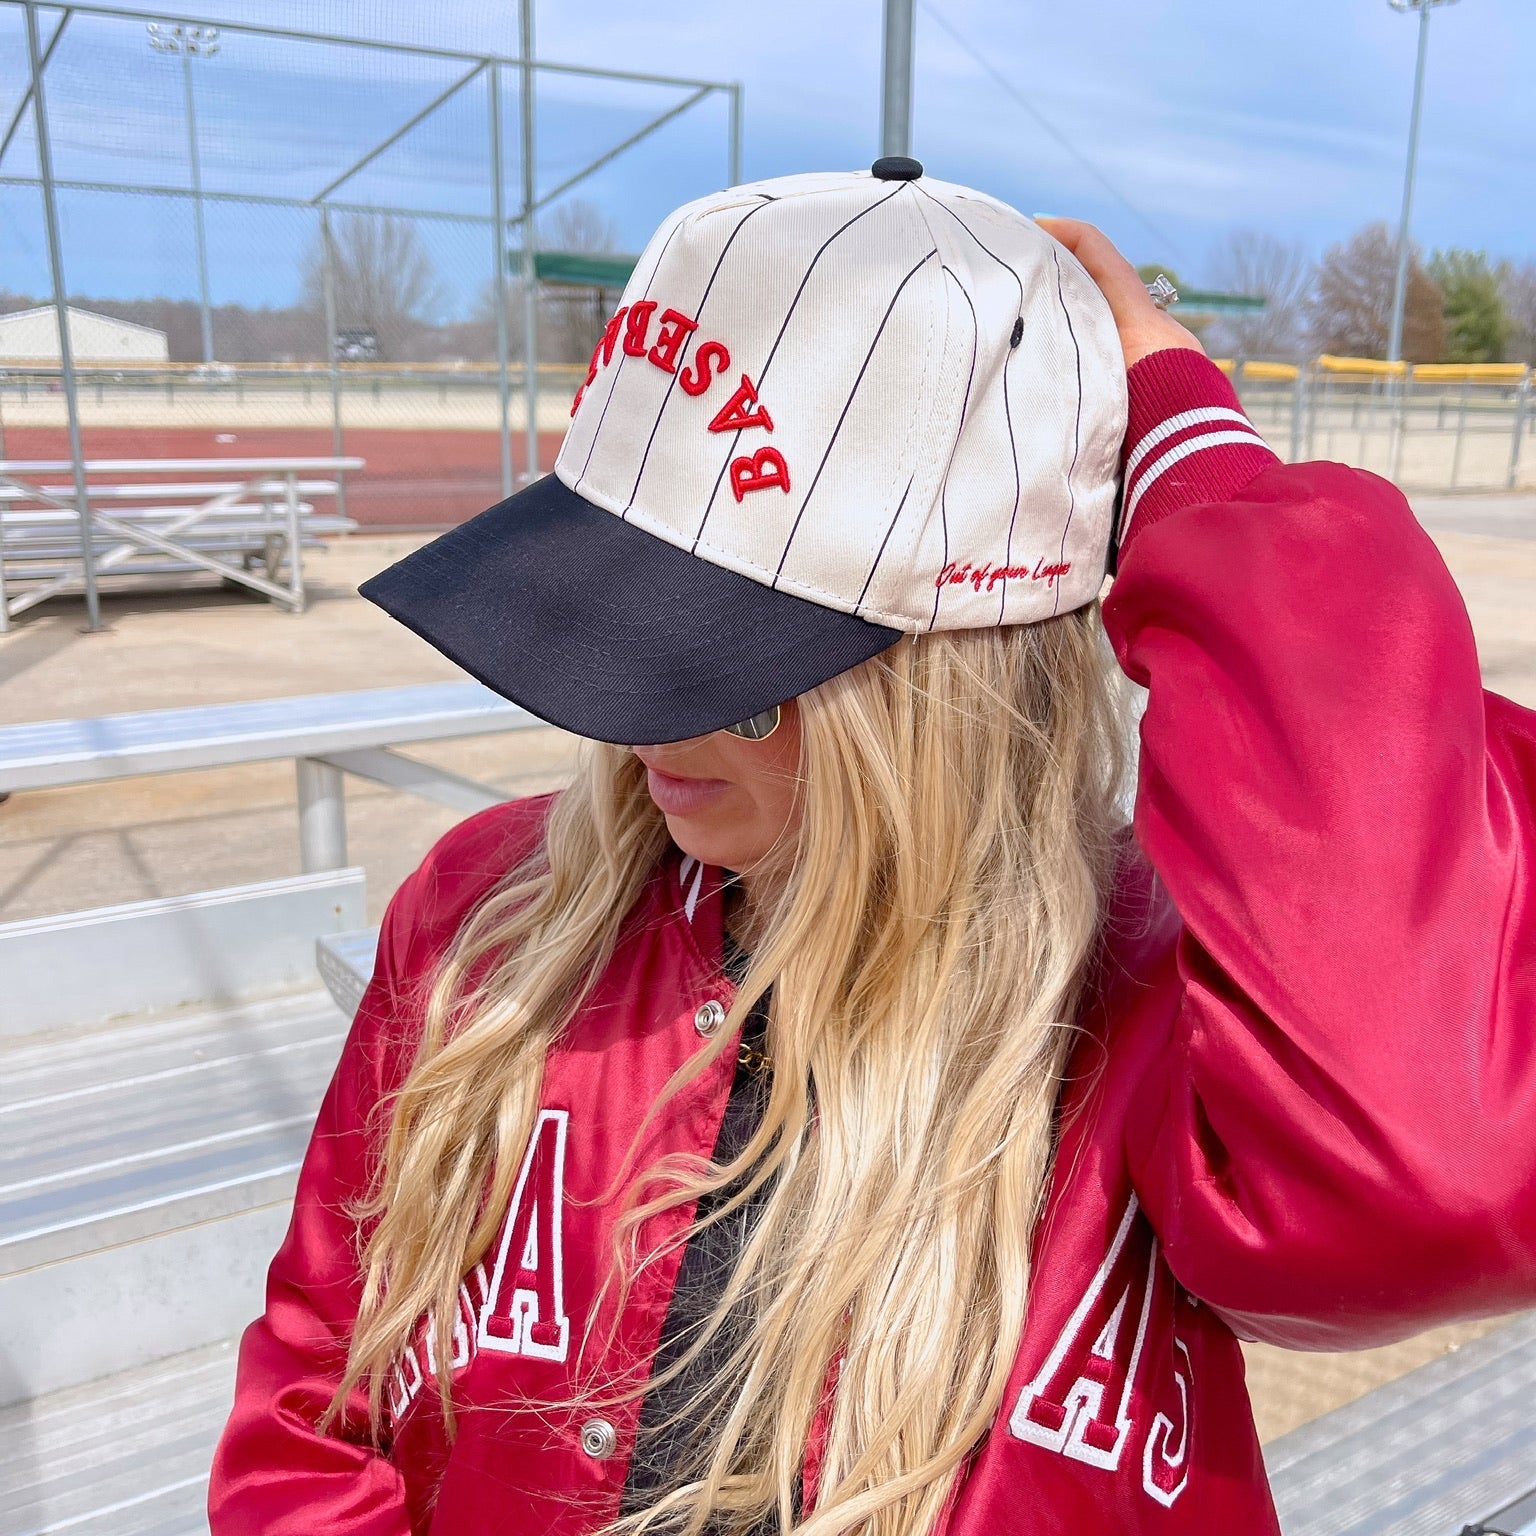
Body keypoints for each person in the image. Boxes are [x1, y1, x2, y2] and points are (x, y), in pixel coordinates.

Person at [209, 163, 1536, 1536]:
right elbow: (315, 1397)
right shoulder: (489, 910)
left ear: (956, 694)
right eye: (607, 621)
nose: (642, 717)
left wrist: (1201, 471)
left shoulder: (1149, 1013)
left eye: (739, 668)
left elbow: (1438, 1174)